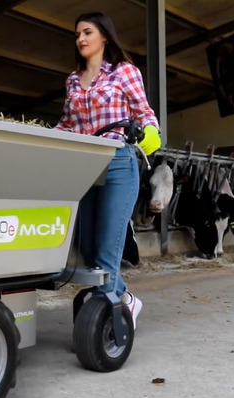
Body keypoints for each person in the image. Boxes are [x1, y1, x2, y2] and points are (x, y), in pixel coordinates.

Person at [54, 11, 161, 330]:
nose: (81, 39)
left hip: (118, 163)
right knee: (87, 247)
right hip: (85, 167)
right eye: (77, 35)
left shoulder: (123, 71)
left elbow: (144, 112)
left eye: (87, 32)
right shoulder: (72, 80)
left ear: (104, 36)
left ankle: (110, 314)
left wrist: (150, 133)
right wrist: (44, 136)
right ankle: (125, 299)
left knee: (107, 246)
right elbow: (67, 124)